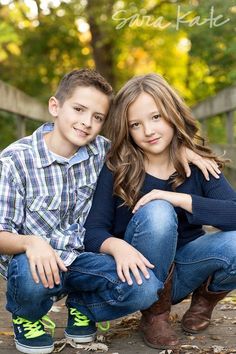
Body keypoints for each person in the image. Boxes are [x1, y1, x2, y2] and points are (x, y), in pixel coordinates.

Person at [0, 68, 221, 354]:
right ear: (55, 106)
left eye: (97, 117)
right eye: (79, 109)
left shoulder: (102, 153)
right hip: (34, 262)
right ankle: (27, 316)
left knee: (145, 287)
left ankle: (83, 309)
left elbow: (148, 145)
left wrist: (182, 151)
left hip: (85, 262)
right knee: (29, 273)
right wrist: (31, 242)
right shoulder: (15, 160)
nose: (86, 123)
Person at [84, 73, 236, 350]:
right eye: (135, 124)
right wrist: (118, 247)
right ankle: (155, 316)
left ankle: (204, 302)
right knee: (157, 211)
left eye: (156, 117)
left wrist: (177, 197)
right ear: (126, 129)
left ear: (172, 114)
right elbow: (93, 231)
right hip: (143, 276)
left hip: (190, 269)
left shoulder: (198, 165)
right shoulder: (117, 168)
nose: (148, 131)